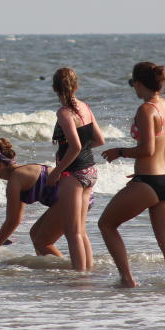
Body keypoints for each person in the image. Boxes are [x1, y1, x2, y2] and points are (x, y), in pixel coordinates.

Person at [99, 62, 165, 287]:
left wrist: (120, 151)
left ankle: (127, 279)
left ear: (138, 83)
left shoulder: (146, 109)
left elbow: (147, 150)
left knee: (106, 224)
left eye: (133, 84)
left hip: (150, 181)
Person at [49, 67, 104, 272]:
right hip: (90, 170)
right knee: (80, 230)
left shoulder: (64, 113)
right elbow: (99, 140)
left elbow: (75, 147)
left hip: (73, 173)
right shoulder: (85, 107)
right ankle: (87, 272)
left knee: (72, 232)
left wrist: (56, 172)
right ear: (76, 86)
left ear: (55, 88)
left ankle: (79, 277)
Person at [0, 138, 64, 261]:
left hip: (72, 199)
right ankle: (52, 271)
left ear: (0, 165)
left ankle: (66, 270)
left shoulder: (15, 180)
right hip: (73, 198)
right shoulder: (19, 175)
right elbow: (17, 218)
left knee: (42, 242)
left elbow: (12, 221)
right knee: (35, 233)